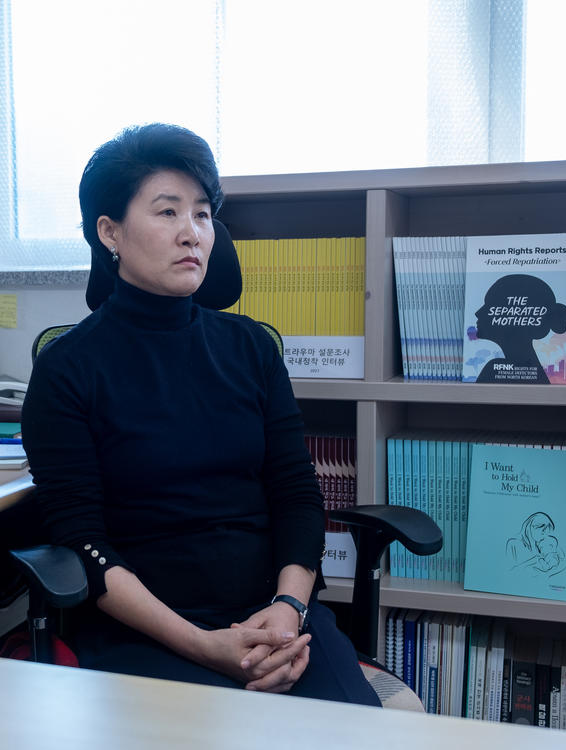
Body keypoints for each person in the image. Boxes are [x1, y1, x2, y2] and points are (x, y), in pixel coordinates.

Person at [21, 123, 379, 705]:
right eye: (167, 213)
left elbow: (296, 495)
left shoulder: (251, 348)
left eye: (204, 215)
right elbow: (82, 541)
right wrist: (202, 644)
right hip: (148, 632)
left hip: (275, 621)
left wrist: (288, 610)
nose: (192, 233)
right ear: (109, 232)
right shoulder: (68, 368)